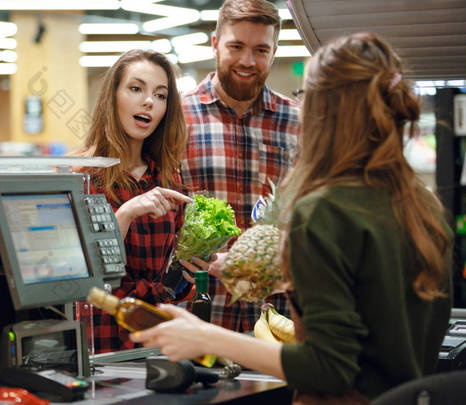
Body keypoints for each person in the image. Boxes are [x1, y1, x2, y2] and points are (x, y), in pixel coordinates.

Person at [132, 32, 453, 402]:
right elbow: (379, 308)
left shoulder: (323, 210)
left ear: (322, 113)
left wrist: (205, 337)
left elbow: (329, 367)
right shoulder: (424, 206)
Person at [180, 0, 300, 331]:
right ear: (216, 44)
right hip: (198, 319)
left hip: (278, 319)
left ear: (274, 52)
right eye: (236, 46)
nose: (248, 61)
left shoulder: (298, 123)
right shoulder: (175, 118)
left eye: (261, 49)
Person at [73, 49, 192, 352]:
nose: (149, 101)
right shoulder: (79, 177)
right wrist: (125, 214)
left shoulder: (167, 179)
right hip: (98, 337)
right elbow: (76, 272)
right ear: (112, 97)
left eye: (161, 95)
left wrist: (193, 264)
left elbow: (172, 274)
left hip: (155, 335)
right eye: (136, 89)